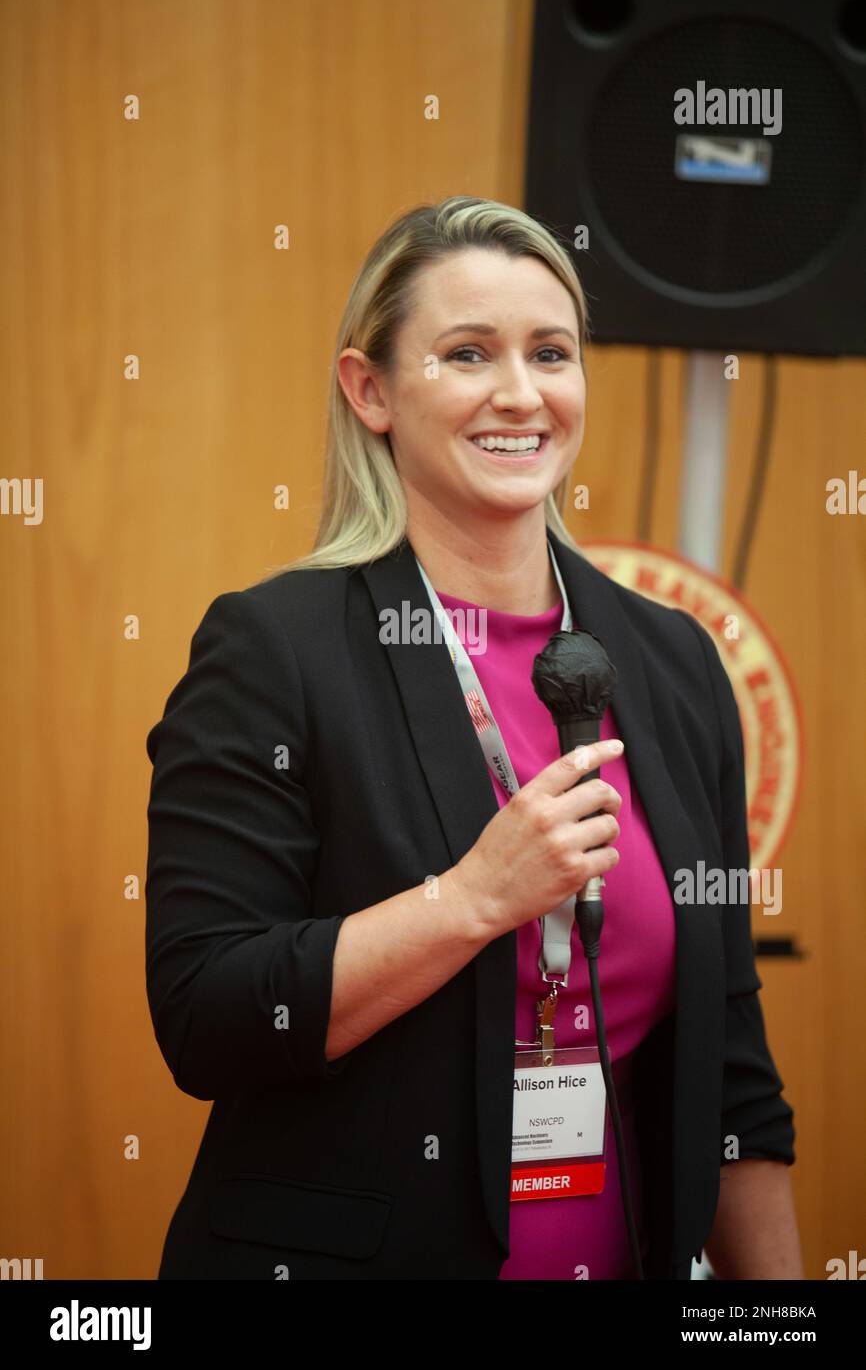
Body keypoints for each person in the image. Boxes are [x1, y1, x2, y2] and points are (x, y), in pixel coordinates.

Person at [145, 195, 802, 1280]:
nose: (519, 392)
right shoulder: (275, 649)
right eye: (465, 353)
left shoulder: (672, 661)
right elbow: (210, 1014)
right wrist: (472, 901)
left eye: (551, 352)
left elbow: (729, 1066)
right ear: (371, 391)